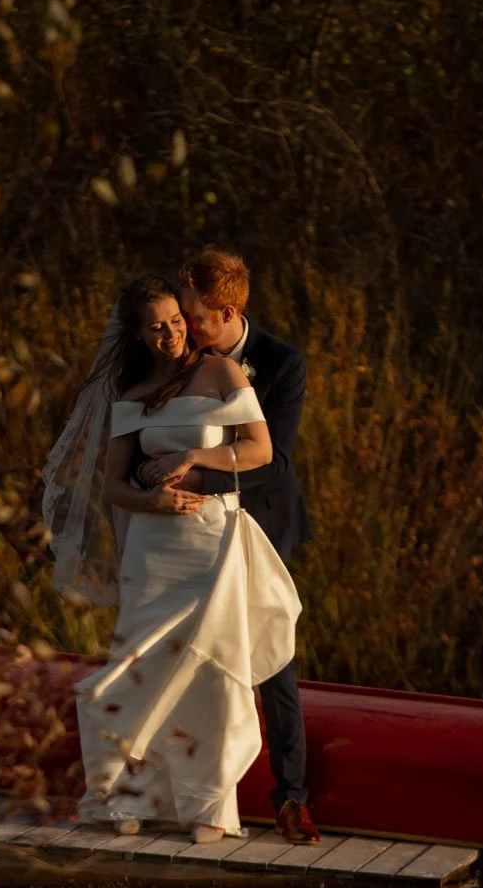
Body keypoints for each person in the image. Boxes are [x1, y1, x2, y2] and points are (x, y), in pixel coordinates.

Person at [41, 274, 301, 843]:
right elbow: (113, 487)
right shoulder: (131, 397)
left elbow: (259, 449)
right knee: (135, 669)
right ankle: (120, 795)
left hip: (212, 539)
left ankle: (207, 805)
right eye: (157, 328)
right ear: (137, 334)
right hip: (153, 549)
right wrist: (150, 499)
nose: (171, 335)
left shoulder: (223, 373)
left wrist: (194, 452)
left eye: (177, 323)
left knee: (211, 670)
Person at [129, 248, 320, 844]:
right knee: (182, 655)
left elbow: (275, 460)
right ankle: (185, 792)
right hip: (186, 533)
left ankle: (291, 798)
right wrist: (151, 481)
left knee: (271, 659)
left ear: (227, 311)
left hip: (259, 522)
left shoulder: (280, 364)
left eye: (193, 316)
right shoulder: (176, 361)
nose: (183, 328)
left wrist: (195, 476)